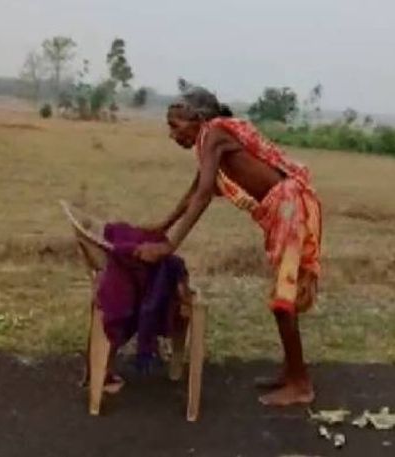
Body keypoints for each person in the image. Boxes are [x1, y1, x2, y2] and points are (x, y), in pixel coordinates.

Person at [135, 87, 322, 406]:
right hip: (285, 210)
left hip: (290, 209)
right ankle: (292, 372)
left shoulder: (215, 133)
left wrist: (168, 247)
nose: (171, 134)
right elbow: (194, 192)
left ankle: (300, 384)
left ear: (197, 119)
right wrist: (161, 228)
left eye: (176, 125)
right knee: (284, 298)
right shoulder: (210, 141)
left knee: (283, 300)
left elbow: (205, 194)